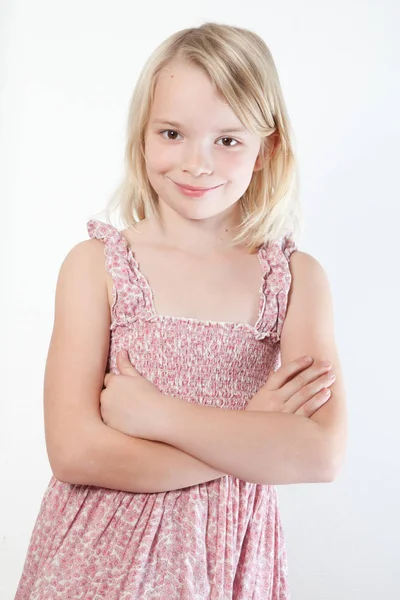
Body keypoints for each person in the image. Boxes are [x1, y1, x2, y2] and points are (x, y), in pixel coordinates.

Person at [14, 22, 347, 600]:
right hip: (96, 556)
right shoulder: (96, 267)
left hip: (226, 553)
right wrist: (250, 435)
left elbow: (318, 454)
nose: (198, 163)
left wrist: (158, 415)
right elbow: (73, 451)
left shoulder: (295, 281)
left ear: (267, 148)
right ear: (141, 136)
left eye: (228, 139)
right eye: (173, 133)